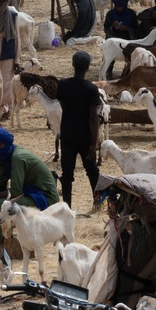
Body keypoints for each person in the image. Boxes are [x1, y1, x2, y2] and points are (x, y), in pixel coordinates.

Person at [0, 128, 60, 261]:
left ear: (7, 144)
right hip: (29, 193)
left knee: (0, 204)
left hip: (43, 197)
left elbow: (15, 192)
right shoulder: (4, 157)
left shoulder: (17, 158)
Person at [56, 52, 102, 209]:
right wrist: (94, 143)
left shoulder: (62, 85)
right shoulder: (91, 89)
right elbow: (93, 118)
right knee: (92, 171)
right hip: (85, 138)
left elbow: (63, 105)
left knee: (67, 174)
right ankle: (97, 202)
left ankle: (66, 207)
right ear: (88, 68)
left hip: (67, 136)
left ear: (72, 65)